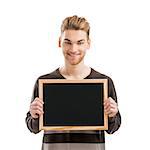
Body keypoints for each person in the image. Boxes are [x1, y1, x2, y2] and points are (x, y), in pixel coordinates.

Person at [25, 15, 121, 150]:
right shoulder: (44, 83)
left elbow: (113, 127)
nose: (73, 49)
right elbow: (32, 127)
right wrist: (34, 115)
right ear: (60, 42)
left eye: (80, 42)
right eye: (68, 42)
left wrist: (113, 114)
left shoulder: (103, 82)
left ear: (88, 43)